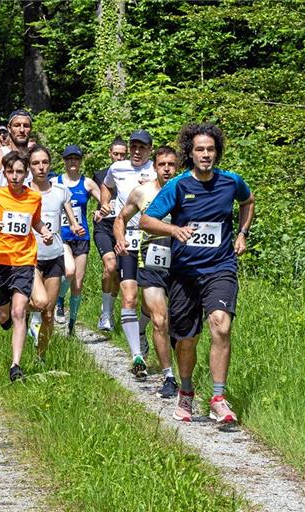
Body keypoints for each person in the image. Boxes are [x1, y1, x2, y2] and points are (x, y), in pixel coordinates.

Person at [140, 122, 255, 423]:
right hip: (185, 273)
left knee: (221, 325)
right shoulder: (178, 185)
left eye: (211, 149)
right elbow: (146, 221)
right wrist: (174, 228)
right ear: (190, 153)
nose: (206, 154)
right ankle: (187, 392)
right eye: (200, 150)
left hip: (220, 268)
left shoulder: (231, 182)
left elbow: (248, 201)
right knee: (187, 339)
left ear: (217, 153)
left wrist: (242, 233)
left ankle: (218, 397)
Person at [0, 152, 53, 382]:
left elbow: (35, 221)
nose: (15, 176)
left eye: (19, 172)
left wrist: (45, 232)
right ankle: (5, 318)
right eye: (10, 172)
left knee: (20, 311)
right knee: (2, 314)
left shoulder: (33, 197)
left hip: (24, 260)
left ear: (26, 173)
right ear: (4, 173)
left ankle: (15, 365)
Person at [114, 146, 178, 395]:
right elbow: (121, 218)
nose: (166, 169)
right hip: (151, 259)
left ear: (177, 166)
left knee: (180, 320)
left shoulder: (186, 190)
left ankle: (180, 368)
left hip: (181, 261)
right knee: (160, 319)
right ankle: (168, 376)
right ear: (154, 166)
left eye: (171, 164)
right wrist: (120, 238)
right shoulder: (142, 191)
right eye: (162, 164)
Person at [101, 129, 156, 376]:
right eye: (133, 146)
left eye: (141, 147)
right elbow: (106, 185)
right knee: (130, 296)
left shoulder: (158, 169)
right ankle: (136, 356)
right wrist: (106, 203)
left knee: (150, 299)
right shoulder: (118, 167)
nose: (136, 151)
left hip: (154, 238)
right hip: (126, 234)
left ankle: (141, 331)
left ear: (149, 149)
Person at [27, 145, 85, 357]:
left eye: (44, 163)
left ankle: (40, 356)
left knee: (49, 314)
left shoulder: (61, 191)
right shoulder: (23, 192)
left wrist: (76, 227)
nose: (40, 167)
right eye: (35, 163)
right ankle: (17, 312)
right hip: (30, 257)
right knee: (38, 303)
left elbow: (71, 221)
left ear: (50, 165)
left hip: (54, 256)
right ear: (29, 167)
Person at [53, 144, 102, 336]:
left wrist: (100, 210)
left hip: (81, 237)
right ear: (64, 161)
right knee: (68, 272)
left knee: (78, 284)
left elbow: (104, 200)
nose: (73, 162)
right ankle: (59, 300)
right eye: (69, 158)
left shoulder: (87, 183)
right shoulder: (55, 181)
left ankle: (72, 325)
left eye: (76, 158)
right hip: (61, 236)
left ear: (80, 161)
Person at [91, 138, 127, 331]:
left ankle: (109, 312)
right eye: (116, 154)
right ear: (110, 153)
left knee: (119, 276)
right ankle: (105, 315)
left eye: (123, 154)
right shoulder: (100, 175)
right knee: (110, 266)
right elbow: (92, 198)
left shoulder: (132, 173)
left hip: (124, 229)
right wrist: (97, 212)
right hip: (104, 227)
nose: (119, 157)